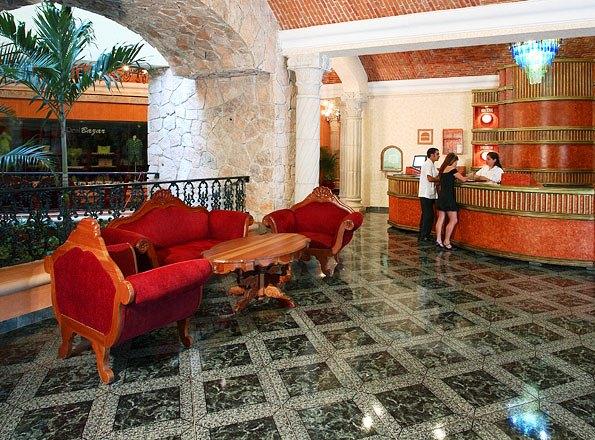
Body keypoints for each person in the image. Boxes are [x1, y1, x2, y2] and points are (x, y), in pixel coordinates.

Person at [435, 153, 468, 250]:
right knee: (453, 220)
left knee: (441, 218)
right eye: (456, 161)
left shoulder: (442, 169)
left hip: (441, 196)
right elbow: (463, 179)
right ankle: (447, 241)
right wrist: (470, 176)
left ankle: (438, 240)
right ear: (453, 161)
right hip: (449, 197)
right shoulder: (452, 169)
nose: (456, 164)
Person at [417, 147, 440, 241]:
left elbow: (437, 174)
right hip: (426, 194)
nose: (439, 156)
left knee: (427, 215)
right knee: (428, 215)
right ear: (432, 155)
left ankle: (424, 234)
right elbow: (430, 178)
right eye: (437, 154)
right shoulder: (427, 164)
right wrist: (438, 180)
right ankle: (424, 235)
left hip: (430, 193)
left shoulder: (432, 165)